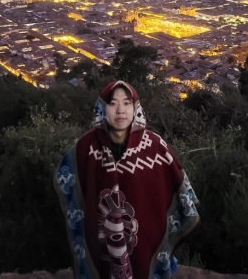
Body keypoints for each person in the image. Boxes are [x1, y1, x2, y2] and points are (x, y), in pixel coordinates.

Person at [55, 80, 200, 279]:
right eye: (112, 103)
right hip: (100, 242)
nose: (120, 110)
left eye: (127, 103)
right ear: (102, 108)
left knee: (144, 267)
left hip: (147, 239)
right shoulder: (85, 148)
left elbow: (179, 189)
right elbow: (65, 178)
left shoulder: (156, 147)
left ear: (135, 108)